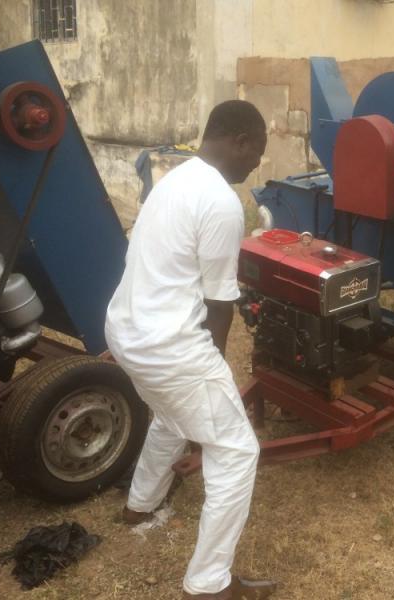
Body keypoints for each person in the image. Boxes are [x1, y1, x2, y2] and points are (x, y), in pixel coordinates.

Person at [104, 100, 275, 600]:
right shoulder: (221, 202)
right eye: (258, 152)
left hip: (126, 331)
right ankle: (208, 584)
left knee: (170, 414)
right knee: (238, 450)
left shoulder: (175, 179)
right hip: (168, 346)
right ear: (240, 141)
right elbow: (219, 305)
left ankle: (140, 504)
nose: (257, 165)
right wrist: (215, 372)